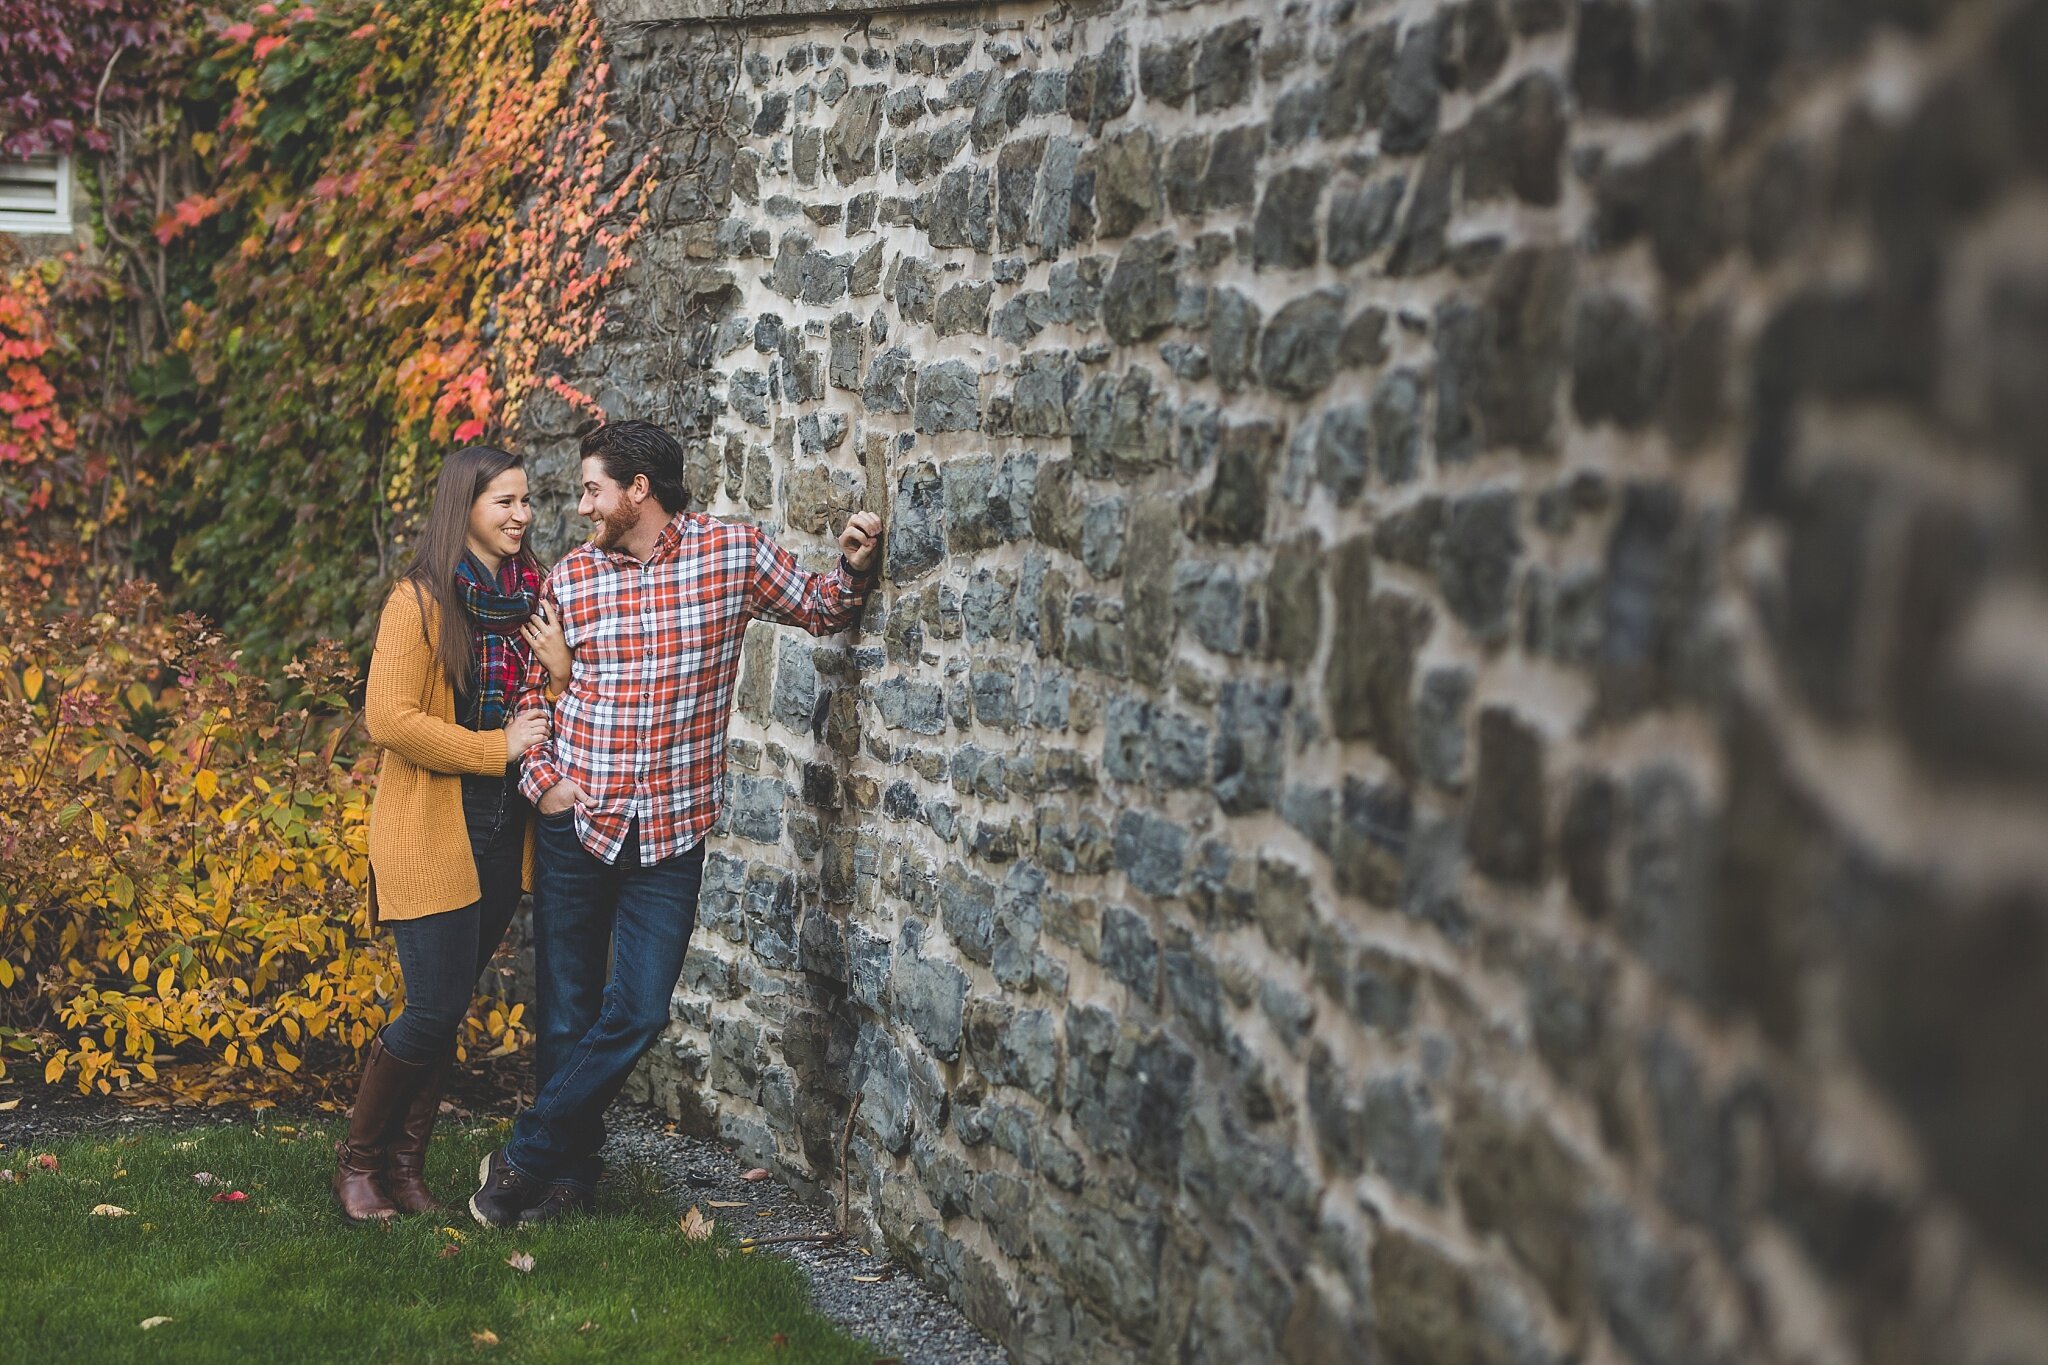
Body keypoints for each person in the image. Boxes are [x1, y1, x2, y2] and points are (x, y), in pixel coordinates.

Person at [468, 419, 882, 1227]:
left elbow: (820, 607)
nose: (581, 504)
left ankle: (525, 1152)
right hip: (576, 821)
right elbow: (528, 692)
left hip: (671, 830)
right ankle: (569, 1176)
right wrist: (546, 784)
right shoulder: (574, 578)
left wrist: (854, 563)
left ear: (638, 490)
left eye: (593, 488)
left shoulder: (732, 555)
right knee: (566, 1009)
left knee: (643, 1006)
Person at [338, 444, 572, 1223]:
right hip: (435, 826)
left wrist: (563, 672)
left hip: (506, 829)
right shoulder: (422, 601)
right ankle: (358, 1164)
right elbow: (388, 719)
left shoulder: (533, 601)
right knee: (433, 1007)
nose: (522, 515)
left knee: (450, 1002)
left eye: (527, 500)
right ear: (463, 507)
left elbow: (560, 705)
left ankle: (405, 1170)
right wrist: (491, 747)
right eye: (505, 501)